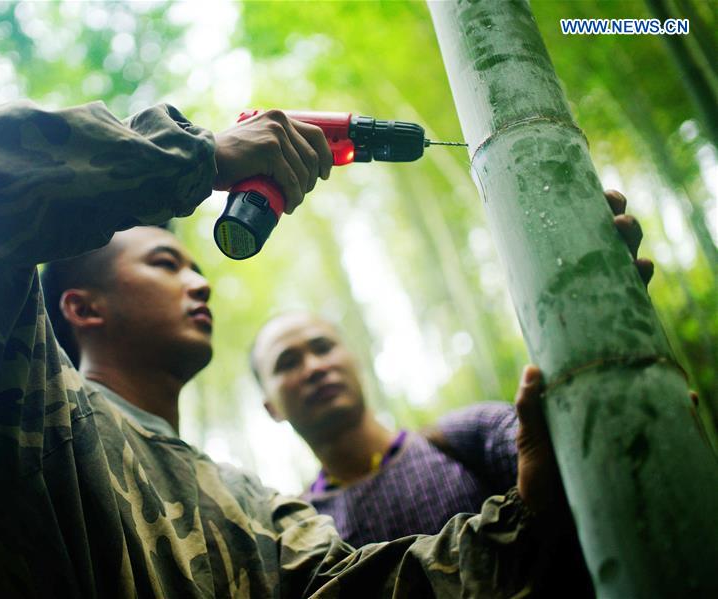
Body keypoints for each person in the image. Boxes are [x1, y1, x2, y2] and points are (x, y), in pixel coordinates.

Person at [0, 99, 568, 598]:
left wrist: (532, 513)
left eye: (197, 267)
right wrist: (194, 159)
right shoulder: (26, 415)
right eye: (165, 263)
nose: (199, 282)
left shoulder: (256, 510)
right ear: (82, 306)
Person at [249, 191, 652, 548]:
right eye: (288, 362)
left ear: (356, 362)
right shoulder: (294, 537)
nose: (315, 367)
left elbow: (581, 452)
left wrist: (589, 331)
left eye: (323, 348)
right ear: (270, 407)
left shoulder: (471, 436)